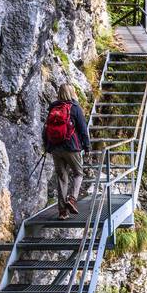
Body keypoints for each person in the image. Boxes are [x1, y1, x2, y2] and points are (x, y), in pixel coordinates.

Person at [43, 83, 91, 218]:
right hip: (71, 148)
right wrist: (87, 147)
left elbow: (46, 129)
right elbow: (82, 129)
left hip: (55, 148)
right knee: (78, 174)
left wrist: (47, 146)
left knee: (62, 178)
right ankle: (72, 198)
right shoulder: (75, 108)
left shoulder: (53, 108)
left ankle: (62, 212)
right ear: (71, 93)